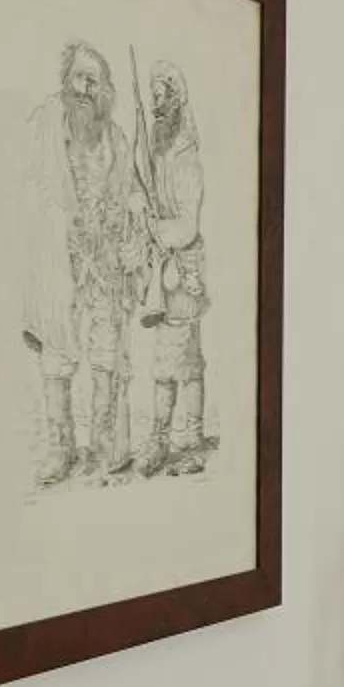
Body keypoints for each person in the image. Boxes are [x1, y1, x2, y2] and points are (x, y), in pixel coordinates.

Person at [17, 40, 148, 483]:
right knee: (57, 354)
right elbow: (28, 188)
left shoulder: (117, 139)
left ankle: (107, 446)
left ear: (106, 89)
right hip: (60, 263)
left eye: (95, 79)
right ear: (66, 81)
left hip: (105, 268)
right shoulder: (44, 126)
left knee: (107, 354)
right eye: (79, 76)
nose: (86, 87)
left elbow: (133, 194)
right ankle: (61, 450)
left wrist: (136, 237)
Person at [136, 61, 210, 476]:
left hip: (182, 269)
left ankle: (191, 444)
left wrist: (155, 229)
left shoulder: (186, 158)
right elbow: (139, 188)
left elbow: (188, 225)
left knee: (186, 361)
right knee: (165, 361)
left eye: (163, 96)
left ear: (178, 100)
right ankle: (161, 442)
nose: (156, 103)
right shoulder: (157, 149)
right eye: (154, 96)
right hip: (161, 269)